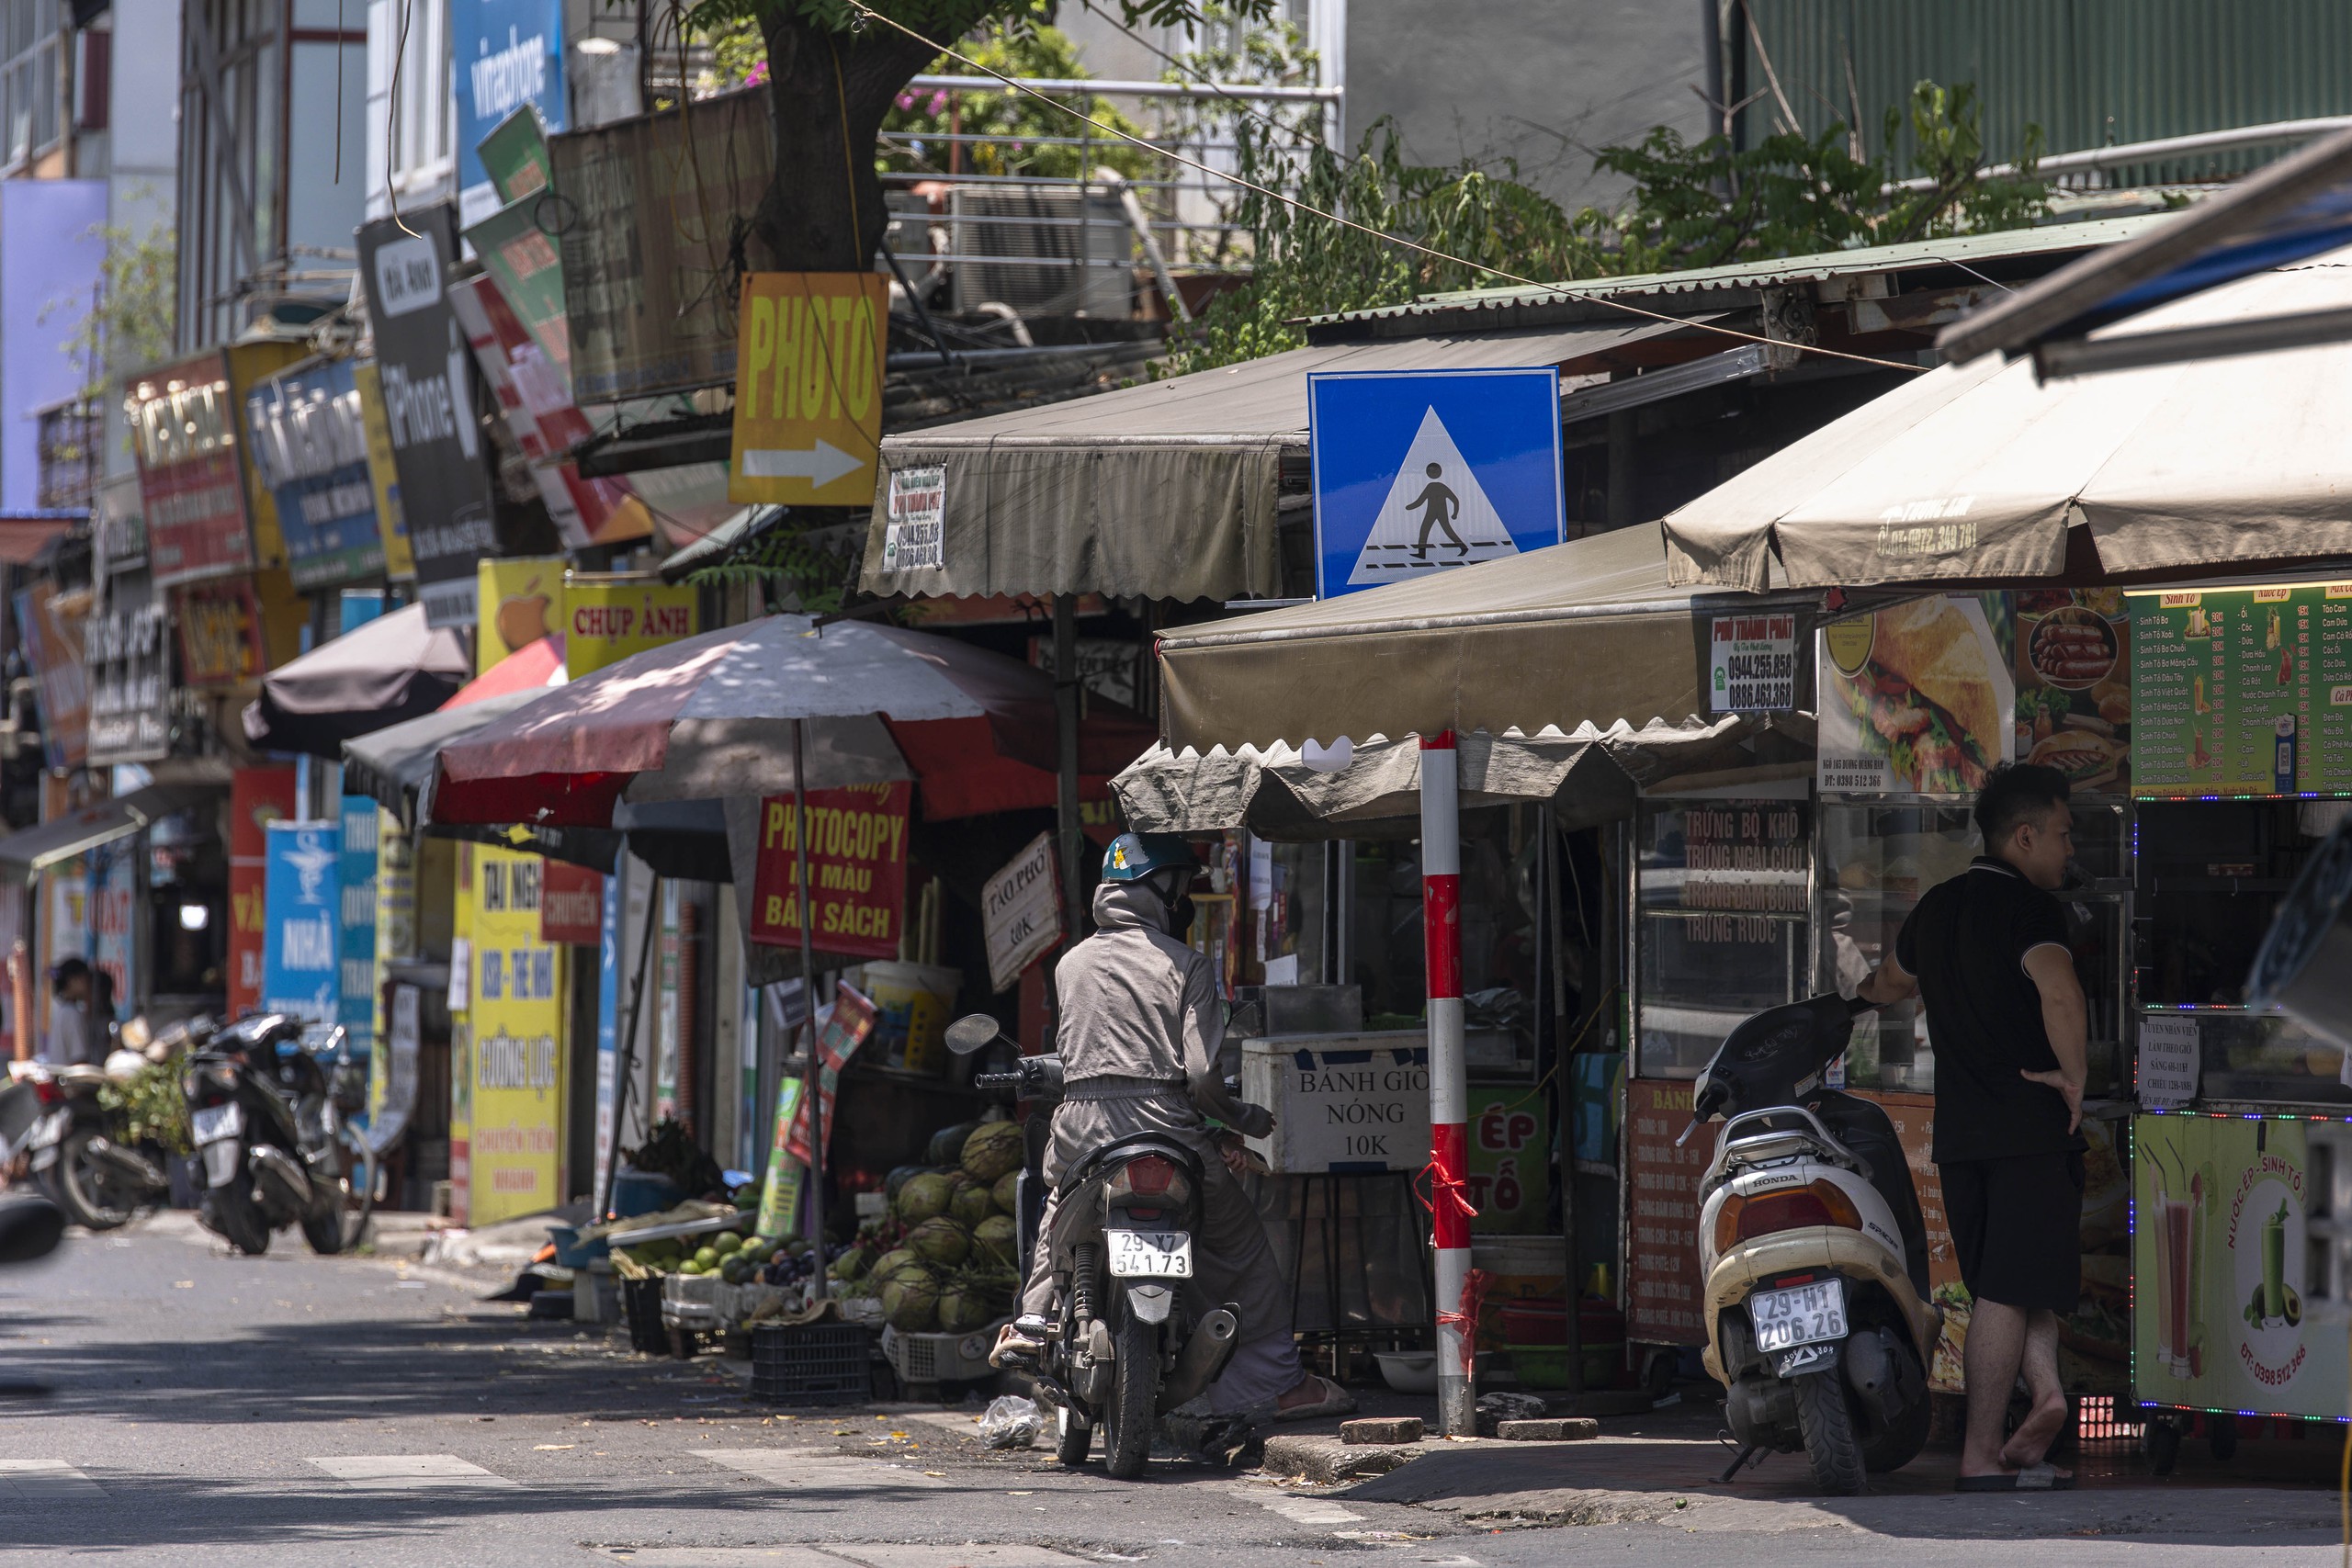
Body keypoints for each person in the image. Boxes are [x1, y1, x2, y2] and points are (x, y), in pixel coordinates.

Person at [992, 833, 1354, 1425]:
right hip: (1166, 1127)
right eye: (1181, 886)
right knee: (1242, 1254)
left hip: (1081, 1127)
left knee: (1058, 1212)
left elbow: (1077, 1051)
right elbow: (1205, 1075)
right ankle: (1278, 1384)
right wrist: (1243, 1120)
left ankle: (1033, 1320)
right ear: (1158, 888)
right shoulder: (1185, 964)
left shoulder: (1070, 964)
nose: (1185, 898)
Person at [1856, 762, 2087, 1493]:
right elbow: (2060, 991)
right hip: (2029, 1132)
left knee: (2014, 1280)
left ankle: (2046, 1394)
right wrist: (2075, 1077)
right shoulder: (2033, 911)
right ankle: (1982, 1453)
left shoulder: (1939, 907)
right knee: (2002, 1289)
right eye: (2062, 832)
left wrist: (1844, 1003)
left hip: (1959, 1140)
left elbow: (1889, 982)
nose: (2069, 848)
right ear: (2024, 836)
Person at [43, 960, 94, 1068]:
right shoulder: (72, 1014)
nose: (89, 985)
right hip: (69, 1082)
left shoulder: (62, 1010)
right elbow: (79, 1059)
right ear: (72, 980)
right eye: (85, 979)